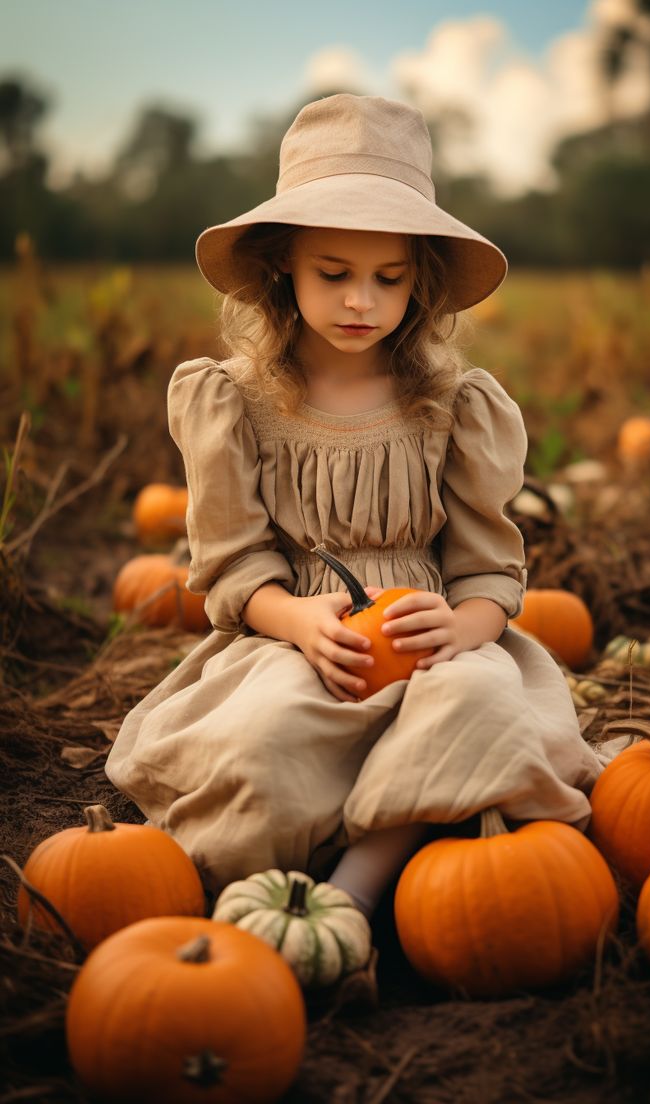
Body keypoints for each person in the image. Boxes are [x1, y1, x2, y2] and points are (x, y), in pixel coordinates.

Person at [105, 93, 617, 954]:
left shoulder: (456, 406)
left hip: (434, 638)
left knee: (484, 704)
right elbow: (231, 570)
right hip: (295, 639)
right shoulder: (233, 402)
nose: (360, 301)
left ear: (420, 278)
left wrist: (465, 624)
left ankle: (355, 892)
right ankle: (364, 834)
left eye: (388, 278)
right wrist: (295, 617)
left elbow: (493, 570)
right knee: (265, 742)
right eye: (332, 273)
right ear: (282, 268)